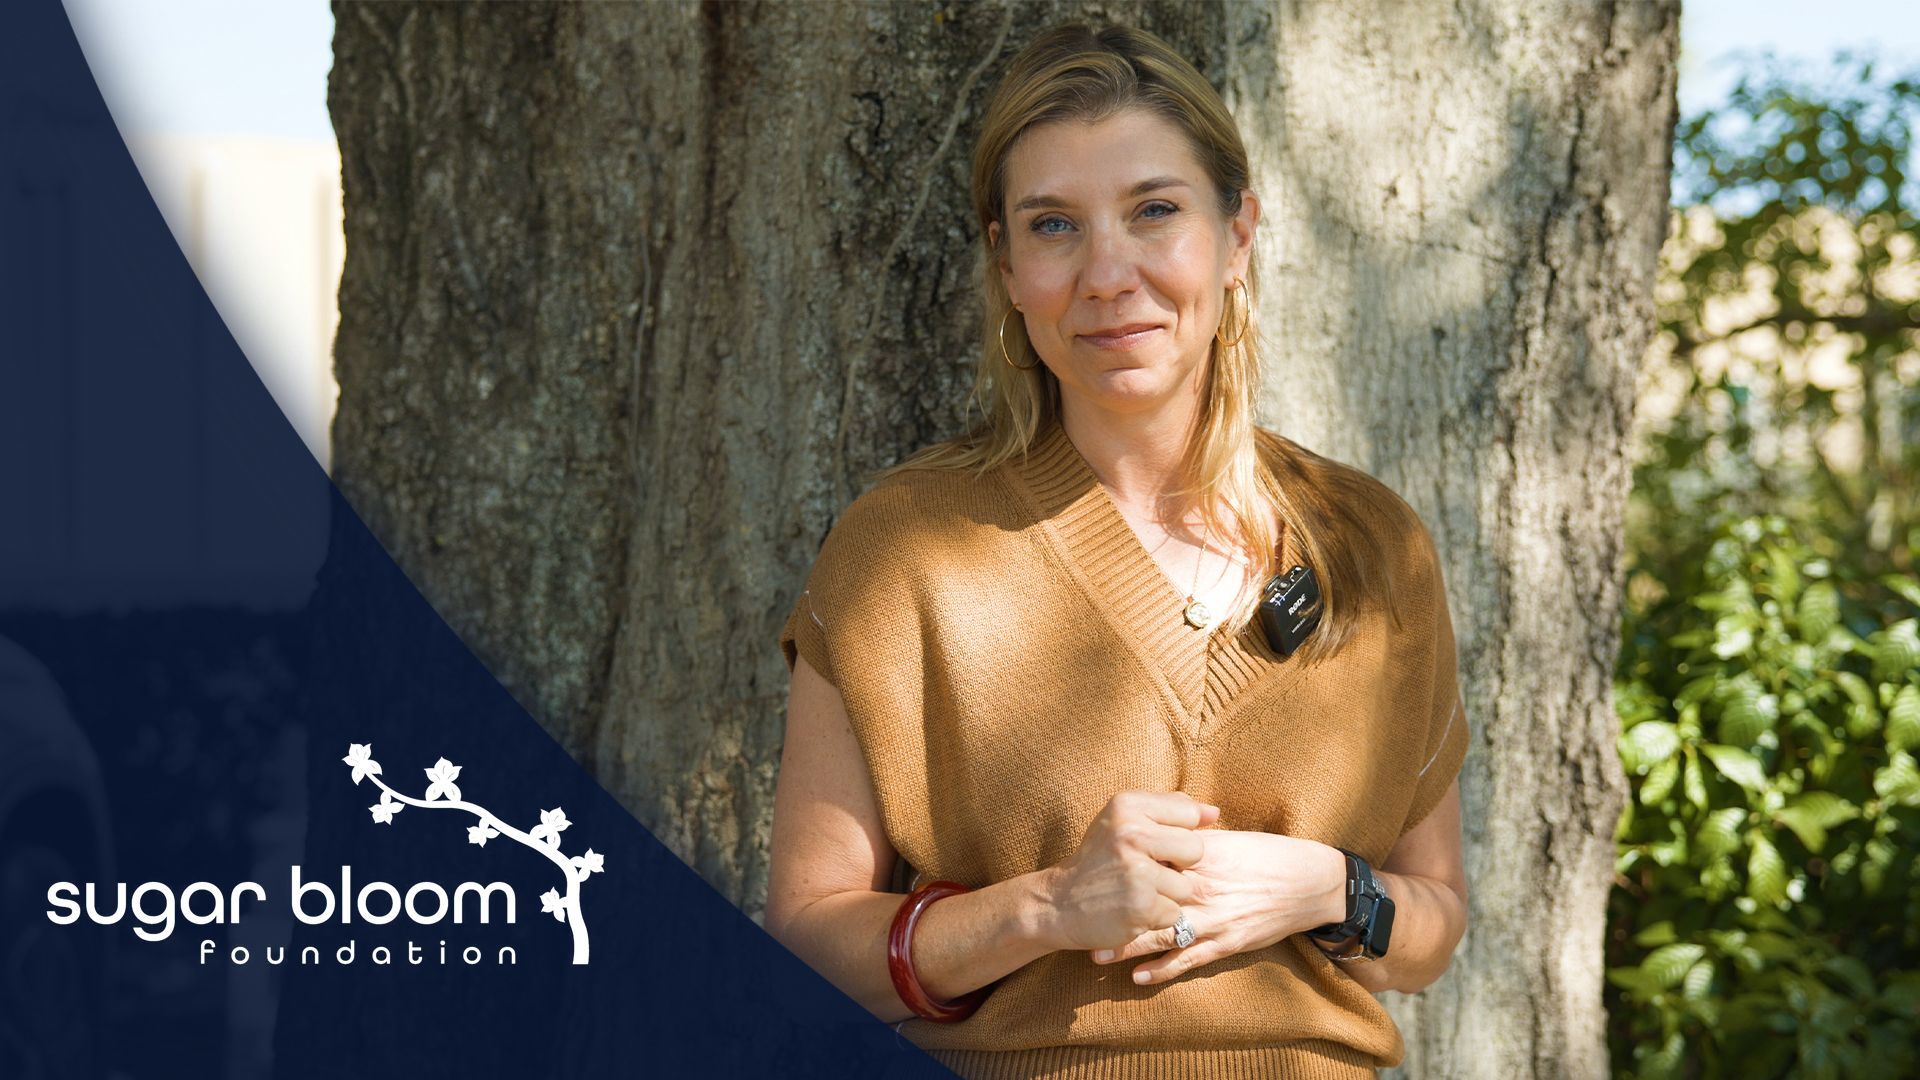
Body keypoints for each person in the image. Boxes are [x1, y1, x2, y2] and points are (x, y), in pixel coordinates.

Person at [765, 21, 1469, 1080]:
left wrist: (1334, 889)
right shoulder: (907, 549)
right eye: (1054, 225)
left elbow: (1432, 931)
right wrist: (1049, 908)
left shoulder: (1374, 546)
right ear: (1006, 265)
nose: (1108, 272)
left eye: (1154, 211)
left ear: (1238, 236)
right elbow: (810, 946)